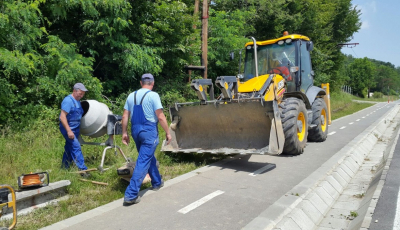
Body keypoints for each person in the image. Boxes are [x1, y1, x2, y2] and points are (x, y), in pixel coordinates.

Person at [122, 73, 172, 206]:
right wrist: (168, 132)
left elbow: (125, 116)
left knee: (147, 156)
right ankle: (131, 195)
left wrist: (124, 133)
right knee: (143, 161)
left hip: (135, 131)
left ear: (141, 82)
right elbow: (160, 117)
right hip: (148, 131)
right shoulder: (153, 95)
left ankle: (156, 181)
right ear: (153, 83)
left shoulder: (131, 96)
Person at [59, 83, 89, 172]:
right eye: (80, 93)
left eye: (83, 94)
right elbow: (62, 117)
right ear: (74, 91)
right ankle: (83, 170)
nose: (81, 96)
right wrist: (69, 131)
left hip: (75, 129)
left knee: (69, 148)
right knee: (76, 147)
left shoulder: (78, 101)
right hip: (68, 129)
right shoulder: (68, 101)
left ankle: (64, 168)